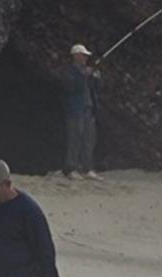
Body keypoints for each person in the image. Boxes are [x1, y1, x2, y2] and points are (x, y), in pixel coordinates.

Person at [61, 43, 102, 180]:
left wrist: (95, 77)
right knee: (75, 139)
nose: (85, 58)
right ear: (76, 56)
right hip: (74, 110)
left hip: (88, 109)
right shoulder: (69, 71)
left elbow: (96, 88)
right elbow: (71, 87)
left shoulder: (86, 72)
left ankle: (87, 168)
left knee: (89, 139)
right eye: (83, 55)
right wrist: (83, 76)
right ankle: (71, 168)